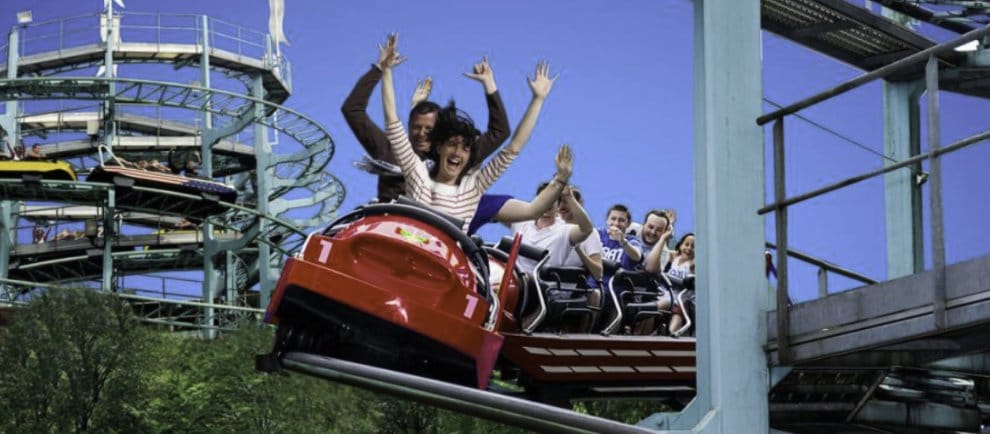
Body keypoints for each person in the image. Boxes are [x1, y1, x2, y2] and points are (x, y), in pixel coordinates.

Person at [379, 34, 555, 230]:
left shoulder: (472, 188)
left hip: (444, 258)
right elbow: (392, 122)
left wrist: (538, 100)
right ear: (439, 148)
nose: (457, 153)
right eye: (452, 145)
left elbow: (513, 147)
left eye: (465, 148)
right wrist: (386, 71)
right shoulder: (417, 173)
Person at [342, 39, 510, 203]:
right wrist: (379, 69)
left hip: (428, 224)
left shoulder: (450, 157)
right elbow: (352, 110)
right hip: (389, 220)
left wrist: (489, 84)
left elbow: (500, 132)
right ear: (407, 127)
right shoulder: (389, 150)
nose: (422, 134)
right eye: (416, 128)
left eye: (428, 129)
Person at [597, 204, 643, 289]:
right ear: (607, 220)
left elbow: (637, 256)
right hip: (593, 285)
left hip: (616, 290)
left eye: (621, 220)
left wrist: (622, 241)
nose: (616, 223)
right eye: (613, 219)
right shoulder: (598, 234)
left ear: (628, 224)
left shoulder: (632, 240)